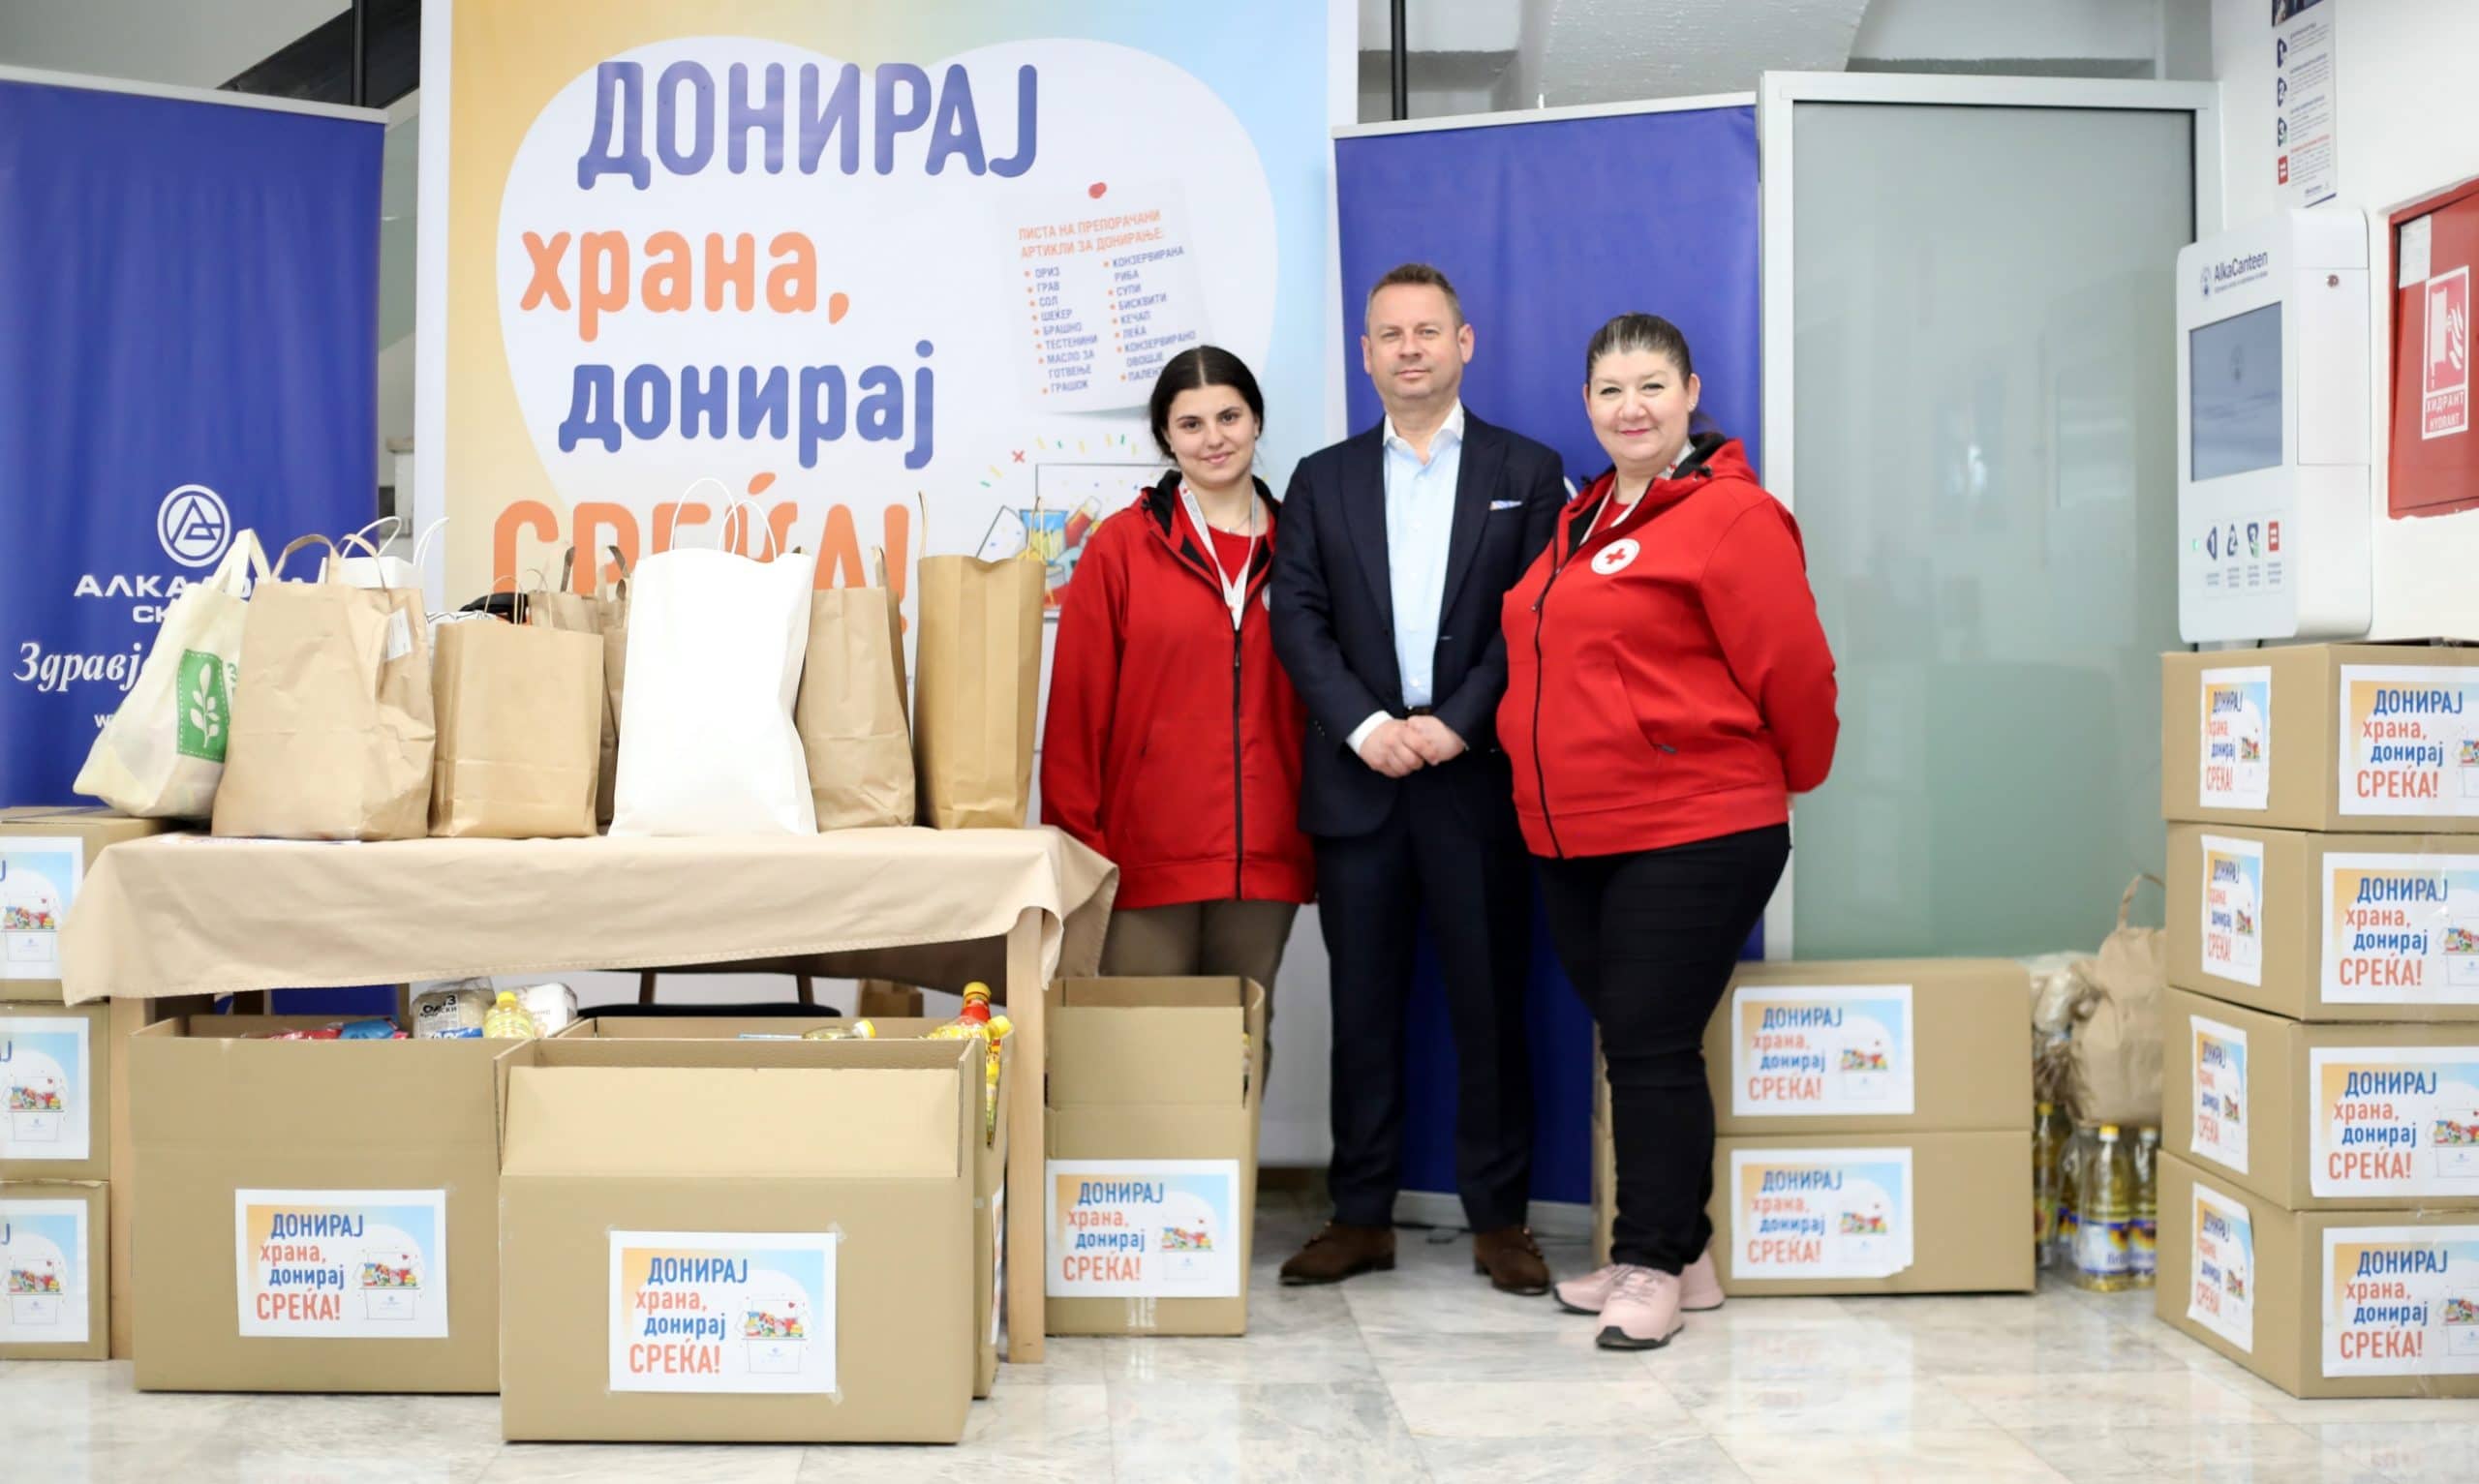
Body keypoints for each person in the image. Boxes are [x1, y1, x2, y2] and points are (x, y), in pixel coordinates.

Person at [1499, 313, 1838, 1349]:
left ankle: (1646, 1261)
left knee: (1647, 1047)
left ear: (1691, 393)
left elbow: (1795, 670)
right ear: (1586, 404)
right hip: (1573, 832)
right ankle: (1684, 1256)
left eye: (1651, 385)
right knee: (1642, 1045)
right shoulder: (1583, 516)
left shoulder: (1733, 515)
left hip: (1694, 821)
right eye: (1609, 390)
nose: (1630, 407)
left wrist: (1785, 779)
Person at [1269, 263, 1567, 1293]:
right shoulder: (1321, 479)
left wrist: (1457, 722)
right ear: (1365, 354)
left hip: (1474, 782)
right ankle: (1360, 1216)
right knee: (1362, 1013)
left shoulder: (1529, 470)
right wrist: (1364, 726)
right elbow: (1297, 618)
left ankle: (1501, 1221)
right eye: (1390, 334)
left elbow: (1534, 615)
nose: (1409, 349)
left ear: (1463, 343)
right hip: (1361, 784)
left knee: (1491, 1010)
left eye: (1427, 331)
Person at [1042, 347, 1313, 1006]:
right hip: (1145, 857)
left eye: (1229, 417)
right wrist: (1081, 855)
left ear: (1256, 421)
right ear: (1166, 436)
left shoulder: (1305, 544)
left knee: (1241, 1040)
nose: (1214, 438)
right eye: (1191, 424)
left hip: (1268, 851)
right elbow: (1077, 711)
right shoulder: (1120, 548)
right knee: (1145, 1042)